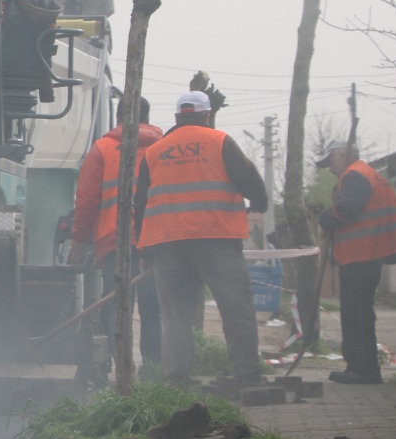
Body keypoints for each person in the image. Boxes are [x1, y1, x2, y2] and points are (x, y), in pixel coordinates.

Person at [133, 90, 270, 386]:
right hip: (216, 238)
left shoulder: (155, 152)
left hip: (167, 246)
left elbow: (140, 203)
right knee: (236, 309)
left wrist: (144, 250)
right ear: (207, 115)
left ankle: (177, 378)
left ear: (177, 117)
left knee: (175, 316)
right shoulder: (219, 142)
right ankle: (246, 375)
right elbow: (250, 181)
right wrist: (259, 203)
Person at [69, 95, 163, 366]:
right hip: (156, 241)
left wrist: (79, 239)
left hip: (115, 241)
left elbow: (87, 199)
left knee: (115, 304)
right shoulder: (164, 148)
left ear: (119, 118)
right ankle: (154, 369)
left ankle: (114, 366)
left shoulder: (103, 149)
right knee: (153, 308)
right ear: (147, 117)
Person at [317, 142, 396, 384]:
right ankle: (360, 367)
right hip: (362, 256)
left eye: (330, 161)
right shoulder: (363, 174)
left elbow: (346, 210)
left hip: (361, 257)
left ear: (343, 155)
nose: (330, 168)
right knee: (357, 313)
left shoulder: (355, 176)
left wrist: (326, 218)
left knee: (357, 315)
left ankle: (363, 370)